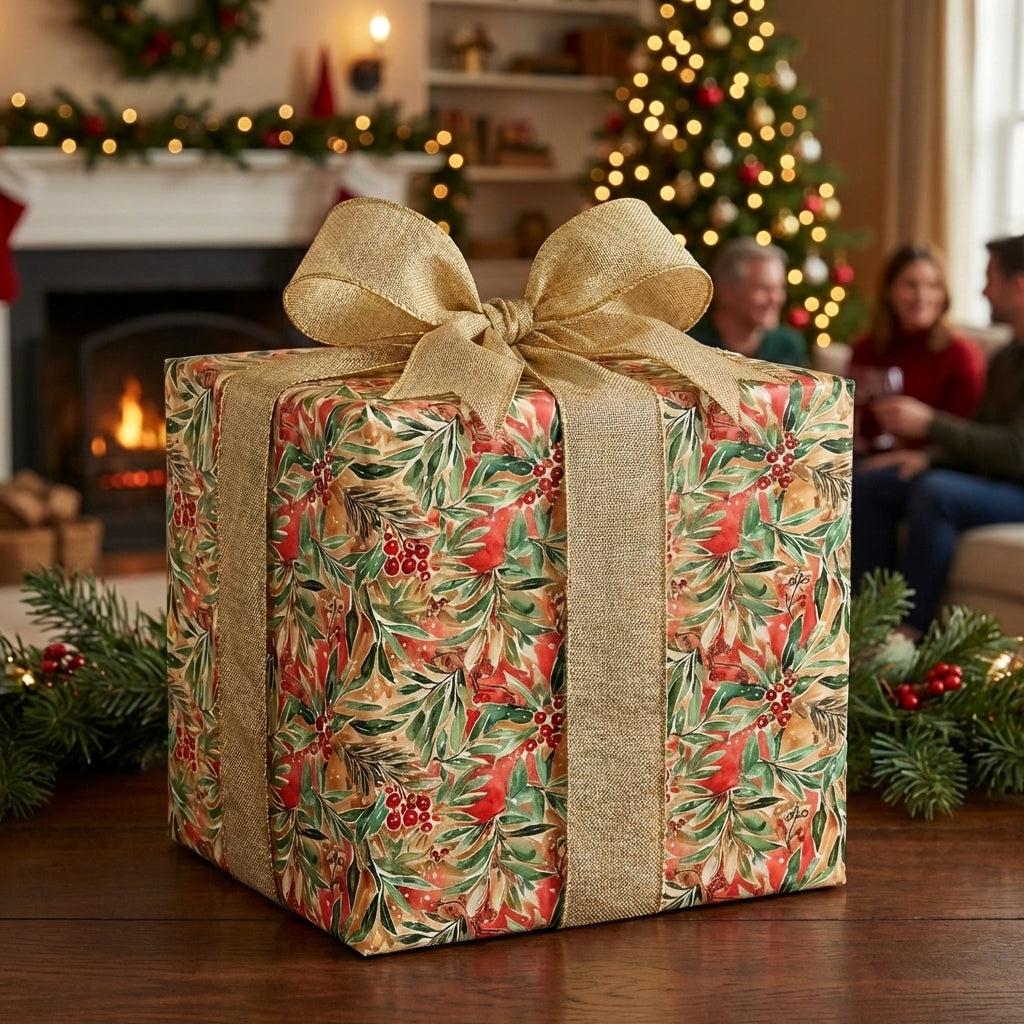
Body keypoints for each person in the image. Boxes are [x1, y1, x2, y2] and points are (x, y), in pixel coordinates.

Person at [852, 233, 1024, 636]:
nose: (982, 290)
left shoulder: (969, 355)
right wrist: (926, 457)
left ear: (1019, 284)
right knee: (873, 484)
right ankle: (865, 626)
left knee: (937, 492)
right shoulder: (1006, 358)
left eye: (990, 279)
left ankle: (908, 635)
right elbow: (979, 436)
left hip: (1015, 486)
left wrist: (929, 426)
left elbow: (1017, 449)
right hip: (995, 480)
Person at [850, 243, 986, 454]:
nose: (922, 296)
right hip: (869, 455)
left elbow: (967, 435)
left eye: (933, 286)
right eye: (911, 285)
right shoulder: (866, 348)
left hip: (930, 464)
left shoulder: (960, 354)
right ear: (889, 290)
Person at [688, 237, 808, 367]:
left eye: (779, 288)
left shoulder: (787, 347)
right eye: (763, 288)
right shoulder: (691, 345)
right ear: (727, 291)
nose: (776, 299)